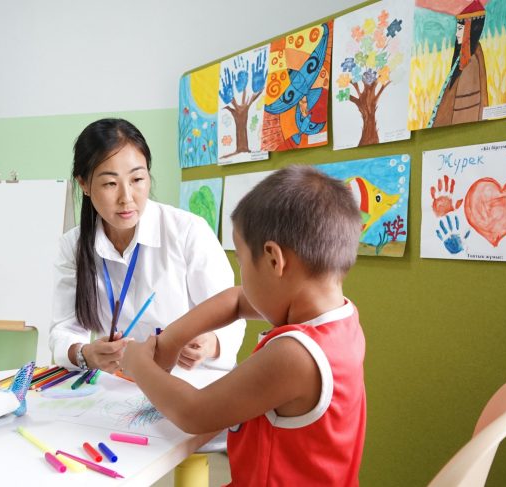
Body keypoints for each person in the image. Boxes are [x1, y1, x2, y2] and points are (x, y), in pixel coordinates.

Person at [123, 165, 366, 486]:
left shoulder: (296, 355)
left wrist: (138, 363)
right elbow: (237, 299)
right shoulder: (341, 317)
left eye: (240, 261)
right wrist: (170, 341)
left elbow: (194, 413)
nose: (243, 277)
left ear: (274, 260)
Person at [49, 118, 245, 374]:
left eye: (137, 179)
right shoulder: (73, 245)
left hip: (193, 379)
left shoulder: (188, 231)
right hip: (122, 382)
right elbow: (64, 330)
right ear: (84, 184)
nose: (126, 198)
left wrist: (211, 344)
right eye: (110, 183)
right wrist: (86, 354)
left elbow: (231, 314)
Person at [429, 1, 488, 127]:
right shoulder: (462, 57)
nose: (457, 34)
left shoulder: (473, 56)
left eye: (460, 29)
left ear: (469, 29)